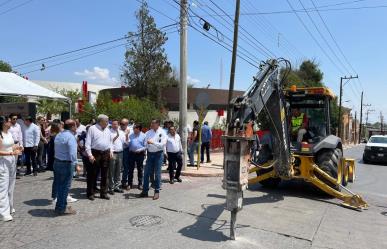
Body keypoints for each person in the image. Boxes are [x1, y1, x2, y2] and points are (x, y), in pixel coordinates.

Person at [52, 119, 78, 215]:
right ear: (72, 127)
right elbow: (72, 153)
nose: (76, 127)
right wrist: (76, 164)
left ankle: (61, 205)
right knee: (65, 187)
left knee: (59, 186)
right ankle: (61, 208)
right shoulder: (70, 137)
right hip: (66, 164)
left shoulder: (59, 135)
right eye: (75, 125)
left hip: (57, 162)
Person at [85, 114, 112, 201]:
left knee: (105, 174)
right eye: (106, 121)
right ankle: (90, 193)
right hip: (95, 153)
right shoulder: (92, 129)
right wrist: (90, 154)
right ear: (101, 121)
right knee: (93, 174)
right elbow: (88, 143)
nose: (108, 123)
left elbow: (110, 141)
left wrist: (111, 150)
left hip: (106, 153)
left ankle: (103, 193)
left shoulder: (108, 130)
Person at [0, 116, 22, 222]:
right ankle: (4, 212)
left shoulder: (8, 133)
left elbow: (10, 145)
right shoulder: (0, 134)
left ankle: (9, 206)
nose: (11, 123)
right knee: (3, 187)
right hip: (3, 162)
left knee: (11, 185)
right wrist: (11, 153)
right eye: (8, 121)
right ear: (3, 123)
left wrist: (17, 147)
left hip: (12, 161)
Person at [139, 119, 167, 200]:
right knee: (146, 173)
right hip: (150, 154)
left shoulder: (163, 132)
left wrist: (152, 143)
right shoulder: (148, 132)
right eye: (151, 123)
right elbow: (145, 143)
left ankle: (157, 191)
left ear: (158, 124)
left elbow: (162, 145)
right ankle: (145, 191)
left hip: (158, 154)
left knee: (157, 174)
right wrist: (146, 148)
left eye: (153, 123)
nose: (151, 124)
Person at [108, 120, 126, 195]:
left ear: (118, 125)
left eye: (116, 124)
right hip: (113, 153)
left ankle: (117, 186)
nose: (115, 125)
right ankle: (111, 187)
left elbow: (125, 142)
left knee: (118, 171)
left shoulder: (121, 132)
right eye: (113, 124)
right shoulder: (109, 132)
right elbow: (109, 142)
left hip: (120, 153)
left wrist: (127, 136)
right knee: (111, 171)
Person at [127, 123, 146, 190]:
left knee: (140, 169)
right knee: (130, 169)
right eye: (133, 128)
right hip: (131, 154)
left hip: (140, 154)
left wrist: (140, 149)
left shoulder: (144, 135)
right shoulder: (130, 135)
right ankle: (129, 184)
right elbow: (127, 144)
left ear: (138, 129)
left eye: (134, 128)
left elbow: (146, 146)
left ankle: (140, 184)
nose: (133, 130)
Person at [9, 113, 23, 177]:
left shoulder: (18, 126)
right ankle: (10, 173)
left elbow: (20, 136)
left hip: (17, 144)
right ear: (10, 119)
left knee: (16, 160)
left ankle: (14, 173)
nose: (15, 120)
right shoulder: (8, 126)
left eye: (16, 119)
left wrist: (21, 145)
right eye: (14, 119)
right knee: (10, 159)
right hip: (10, 145)